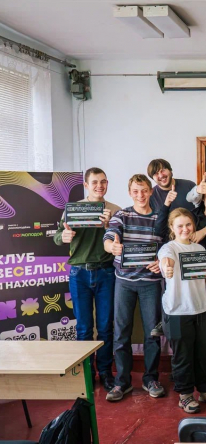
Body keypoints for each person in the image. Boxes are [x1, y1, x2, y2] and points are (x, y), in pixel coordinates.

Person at [53, 167, 120, 391]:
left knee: (105, 327)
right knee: (83, 328)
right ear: (86, 185)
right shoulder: (72, 209)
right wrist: (63, 236)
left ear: (107, 183)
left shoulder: (115, 210)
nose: (99, 186)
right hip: (79, 273)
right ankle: (87, 374)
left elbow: (121, 242)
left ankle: (106, 372)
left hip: (106, 272)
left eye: (103, 181)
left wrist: (109, 226)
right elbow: (57, 236)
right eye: (94, 182)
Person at [103, 174, 165, 402]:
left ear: (151, 191)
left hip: (151, 283)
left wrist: (161, 261)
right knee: (121, 333)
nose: (140, 195)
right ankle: (122, 382)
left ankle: (151, 379)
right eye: (136, 191)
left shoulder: (160, 217)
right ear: (130, 193)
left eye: (144, 190)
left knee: (153, 333)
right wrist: (112, 247)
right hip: (124, 282)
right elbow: (109, 237)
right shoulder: (122, 215)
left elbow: (168, 246)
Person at [158, 208, 206, 413]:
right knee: (183, 356)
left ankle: (205, 389)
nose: (185, 229)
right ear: (172, 228)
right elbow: (166, 261)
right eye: (180, 226)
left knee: (205, 352)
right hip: (177, 310)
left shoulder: (199, 249)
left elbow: (205, 276)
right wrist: (167, 267)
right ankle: (185, 395)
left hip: (202, 308)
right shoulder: (168, 248)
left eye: (188, 225)